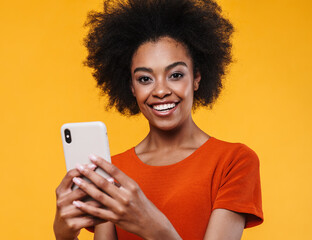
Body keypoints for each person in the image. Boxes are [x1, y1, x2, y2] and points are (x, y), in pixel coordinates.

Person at [53, 0, 263, 239]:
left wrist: (153, 227)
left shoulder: (233, 162)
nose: (161, 90)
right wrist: (63, 235)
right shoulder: (113, 169)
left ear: (196, 78)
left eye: (175, 75)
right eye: (145, 79)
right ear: (131, 87)